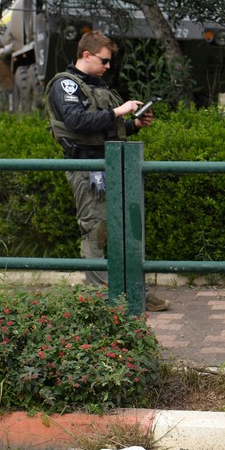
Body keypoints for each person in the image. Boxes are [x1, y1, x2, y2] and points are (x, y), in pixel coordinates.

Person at [47, 30, 169, 312]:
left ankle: (134, 290)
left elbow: (104, 130)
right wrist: (118, 112)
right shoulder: (66, 85)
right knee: (96, 229)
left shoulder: (98, 86)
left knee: (126, 228)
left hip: (112, 163)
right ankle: (100, 298)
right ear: (86, 55)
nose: (108, 66)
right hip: (89, 167)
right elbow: (77, 122)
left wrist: (134, 125)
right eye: (104, 60)